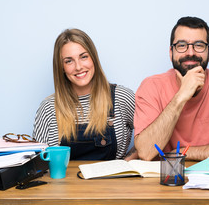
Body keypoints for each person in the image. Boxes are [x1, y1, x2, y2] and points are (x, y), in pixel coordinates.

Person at [134, 16, 209, 161]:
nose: (190, 52)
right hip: (166, 180)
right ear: (171, 52)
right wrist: (181, 96)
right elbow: (145, 152)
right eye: (181, 45)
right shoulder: (151, 87)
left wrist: (185, 153)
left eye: (199, 45)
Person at [33, 28, 137, 160]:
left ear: (93, 58)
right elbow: (38, 162)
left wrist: (126, 162)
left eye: (83, 57)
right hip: (65, 181)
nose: (78, 67)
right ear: (61, 68)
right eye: (69, 61)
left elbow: (149, 140)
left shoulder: (122, 98)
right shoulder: (48, 108)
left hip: (112, 180)